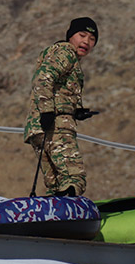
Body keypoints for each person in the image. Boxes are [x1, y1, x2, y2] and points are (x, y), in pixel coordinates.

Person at [23, 17, 99, 197]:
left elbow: (56, 87)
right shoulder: (66, 52)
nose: (86, 42)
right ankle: (71, 217)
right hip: (55, 125)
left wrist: (76, 111)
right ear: (70, 35)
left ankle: (53, 219)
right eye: (82, 35)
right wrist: (48, 111)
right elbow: (43, 79)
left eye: (92, 39)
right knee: (73, 177)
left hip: (38, 127)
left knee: (56, 183)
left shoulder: (57, 54)